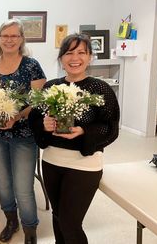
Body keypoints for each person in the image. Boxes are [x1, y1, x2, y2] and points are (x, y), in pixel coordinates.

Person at [29, 33, 120, 244]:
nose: (75, 58)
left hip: (85, 164)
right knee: (58, 216)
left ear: (90, 57)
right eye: (69, 52)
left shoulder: (100, 89)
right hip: (51, 161)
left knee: (70, 223)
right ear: (61, 58)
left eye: (81, 52)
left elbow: (111, 128)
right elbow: (35, 118)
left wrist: (84, 131)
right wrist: (44, 125)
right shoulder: (50, 87)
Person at [0, 19, 46, 244]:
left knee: (23, 186)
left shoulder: (31, 65)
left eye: (14, 36)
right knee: (3, 182)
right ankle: (11, 221)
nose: (9, 40)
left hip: (24, 136)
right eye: (5, 36)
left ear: (21, 39)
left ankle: (30, 230)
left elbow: (38, 101)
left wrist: (16, 116)